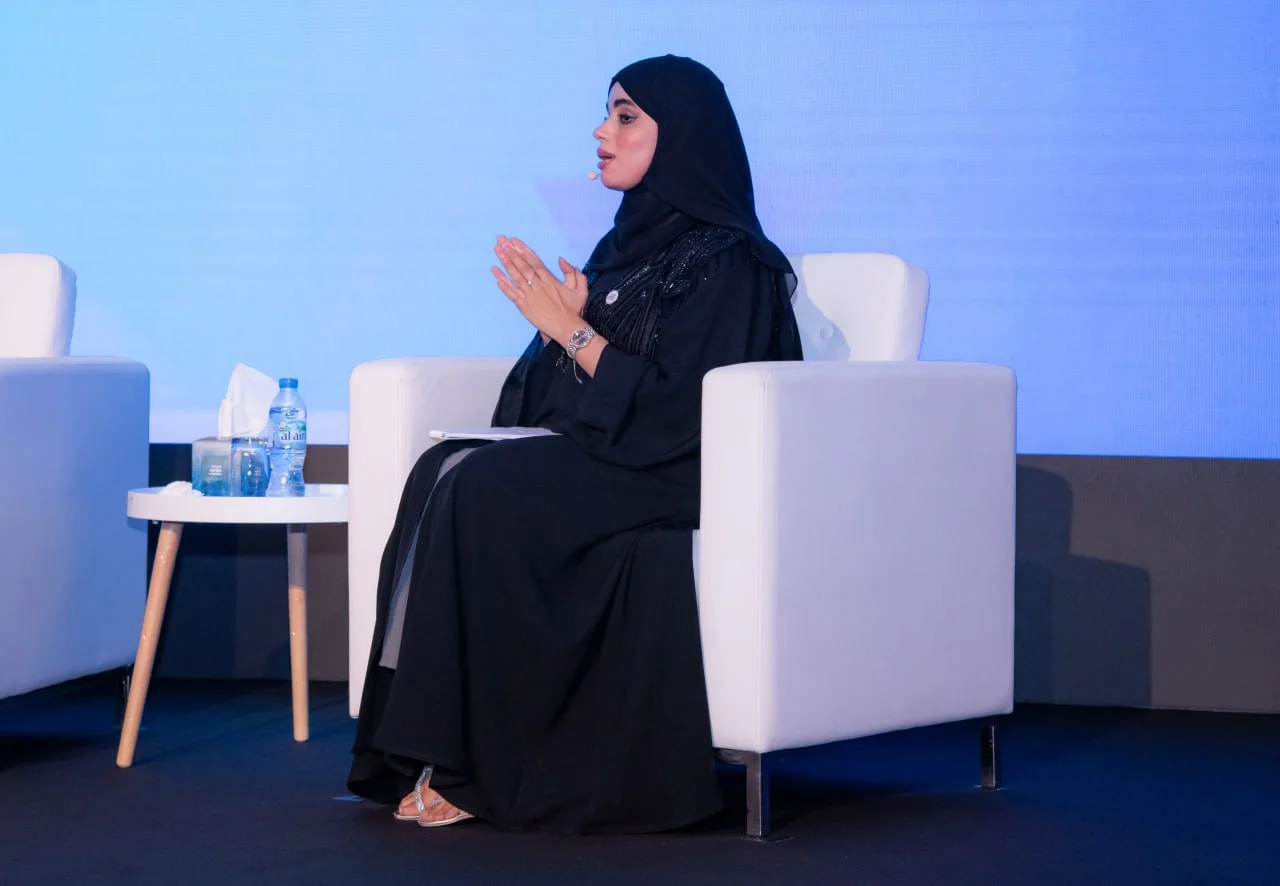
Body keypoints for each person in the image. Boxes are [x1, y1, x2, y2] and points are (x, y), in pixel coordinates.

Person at [347, 54, 803, 835]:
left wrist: (573, 330)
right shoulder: (623, 249)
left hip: (678, 469)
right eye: (607, 113)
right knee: (441, 468)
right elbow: (571, 394)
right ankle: (422, 746)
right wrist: (563, 332)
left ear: (682, 136)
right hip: (616, 454)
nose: (602, 132)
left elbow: (683, 411)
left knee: (485, 489)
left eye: (625, 116)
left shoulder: (731, 260)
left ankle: (476, 768)